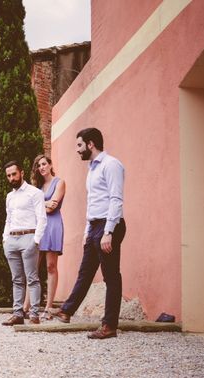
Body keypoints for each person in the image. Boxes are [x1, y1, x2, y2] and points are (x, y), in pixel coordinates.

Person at [54, 127, 126, 340]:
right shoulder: (92, 169)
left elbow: (115, 199)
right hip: (95, 225)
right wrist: (88, 230)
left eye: (79, 145)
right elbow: (93, 201)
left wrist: (108, 232)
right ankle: (66, 311)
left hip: (109, 225)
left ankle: (109, 326)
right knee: (85, 272)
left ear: (91, 143)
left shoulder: (111, 165)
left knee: (111, 276)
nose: (77, 150)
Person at [1, 160, 47, 326]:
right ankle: (18, 313)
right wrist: (5, 239)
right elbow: (8, 219)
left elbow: (42, 218)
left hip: (29, 237)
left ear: (21, 173)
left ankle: (34, 315)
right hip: (12, 239)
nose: (12, 178)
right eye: (8, 175)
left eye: (14, 174)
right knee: (17, 280)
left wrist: (35, 240)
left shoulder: (34, 193)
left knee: (32, 279)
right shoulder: (9, 197)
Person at [23, 154, 66, 321]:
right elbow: (33, 209)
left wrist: (43, 204)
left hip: (53, 225)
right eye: (38, 165)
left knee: (51, 266)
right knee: (32, 268)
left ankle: (48, 307)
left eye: (43, 164)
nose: (41, 167)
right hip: (38, 227)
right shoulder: (37, 187)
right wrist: (45, 204)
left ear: (50, 164)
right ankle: (26, 307)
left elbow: (52, 208)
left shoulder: (60, 182)